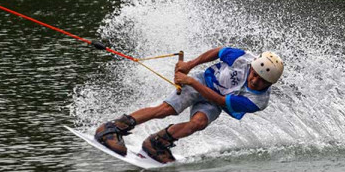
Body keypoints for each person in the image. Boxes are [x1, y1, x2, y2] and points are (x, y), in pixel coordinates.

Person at [94, 47, 284, 163]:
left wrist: (191, 82)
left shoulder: (258, 101)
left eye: (262, 82)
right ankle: (112, 128)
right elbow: (218, 52)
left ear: (270, 84)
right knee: (168, 109)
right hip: (204, 81)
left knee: (198, 123)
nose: (255, 81)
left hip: (214, 99)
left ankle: (157, 144)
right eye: (255, 75)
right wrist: (189, 66)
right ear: (252, 67)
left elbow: (219, 101)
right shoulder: (243, 58)